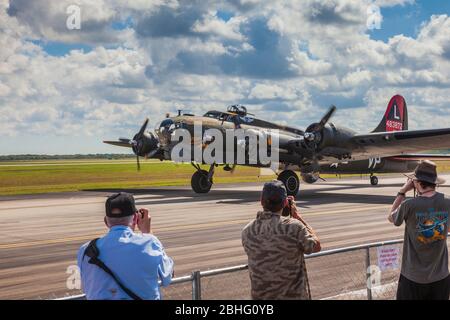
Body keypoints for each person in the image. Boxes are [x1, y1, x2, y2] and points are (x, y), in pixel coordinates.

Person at [77, 192, 174, 300]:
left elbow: (87, 287)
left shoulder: (86, 250)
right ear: (136, 218)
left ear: (106, 221)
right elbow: (167, 277)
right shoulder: (149, 243)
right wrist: (148, 233)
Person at [241, 180, 321, 300]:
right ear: (285, 202)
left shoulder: (247, 231)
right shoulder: (294, 227)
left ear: (261, 201)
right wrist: (297, 216)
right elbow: (316, 246)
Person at [388, 160, 450, 300]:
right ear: (434, 182)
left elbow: (391, 218)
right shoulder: (448, 202)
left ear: (416, 182)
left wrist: (402, 191)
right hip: (441, 276)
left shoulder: (409, 205)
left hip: (412, 277)